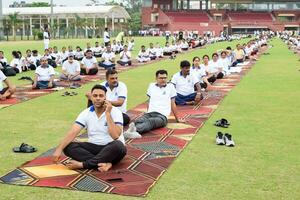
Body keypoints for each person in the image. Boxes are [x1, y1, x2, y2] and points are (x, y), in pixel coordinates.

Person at [52, 84, 126, 171]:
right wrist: (59, 149)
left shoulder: (115, 111)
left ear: (105, 98)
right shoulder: (86, 113)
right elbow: (73, 132)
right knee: (68, 147)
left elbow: (116, 136)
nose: (98, 98)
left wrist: (108, 114)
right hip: (93, 147)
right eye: (95, 96)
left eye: (101, 96)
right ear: (91, 97)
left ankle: (84, 164)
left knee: (118, 145)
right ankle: (106, 163)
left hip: (111, 148)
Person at [124, 70, 184, 139]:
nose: (163, 80)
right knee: (139, 120)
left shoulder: (170, 87)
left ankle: (134, 130)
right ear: (156, 78)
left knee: (150, 122)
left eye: (165, 78)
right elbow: (149, 101)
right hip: (150, 113)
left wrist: (177, 119)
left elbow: (173, 104)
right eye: (161, 78)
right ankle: (131, 131)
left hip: (162, 116)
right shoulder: (151, 86)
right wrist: (147, 113)